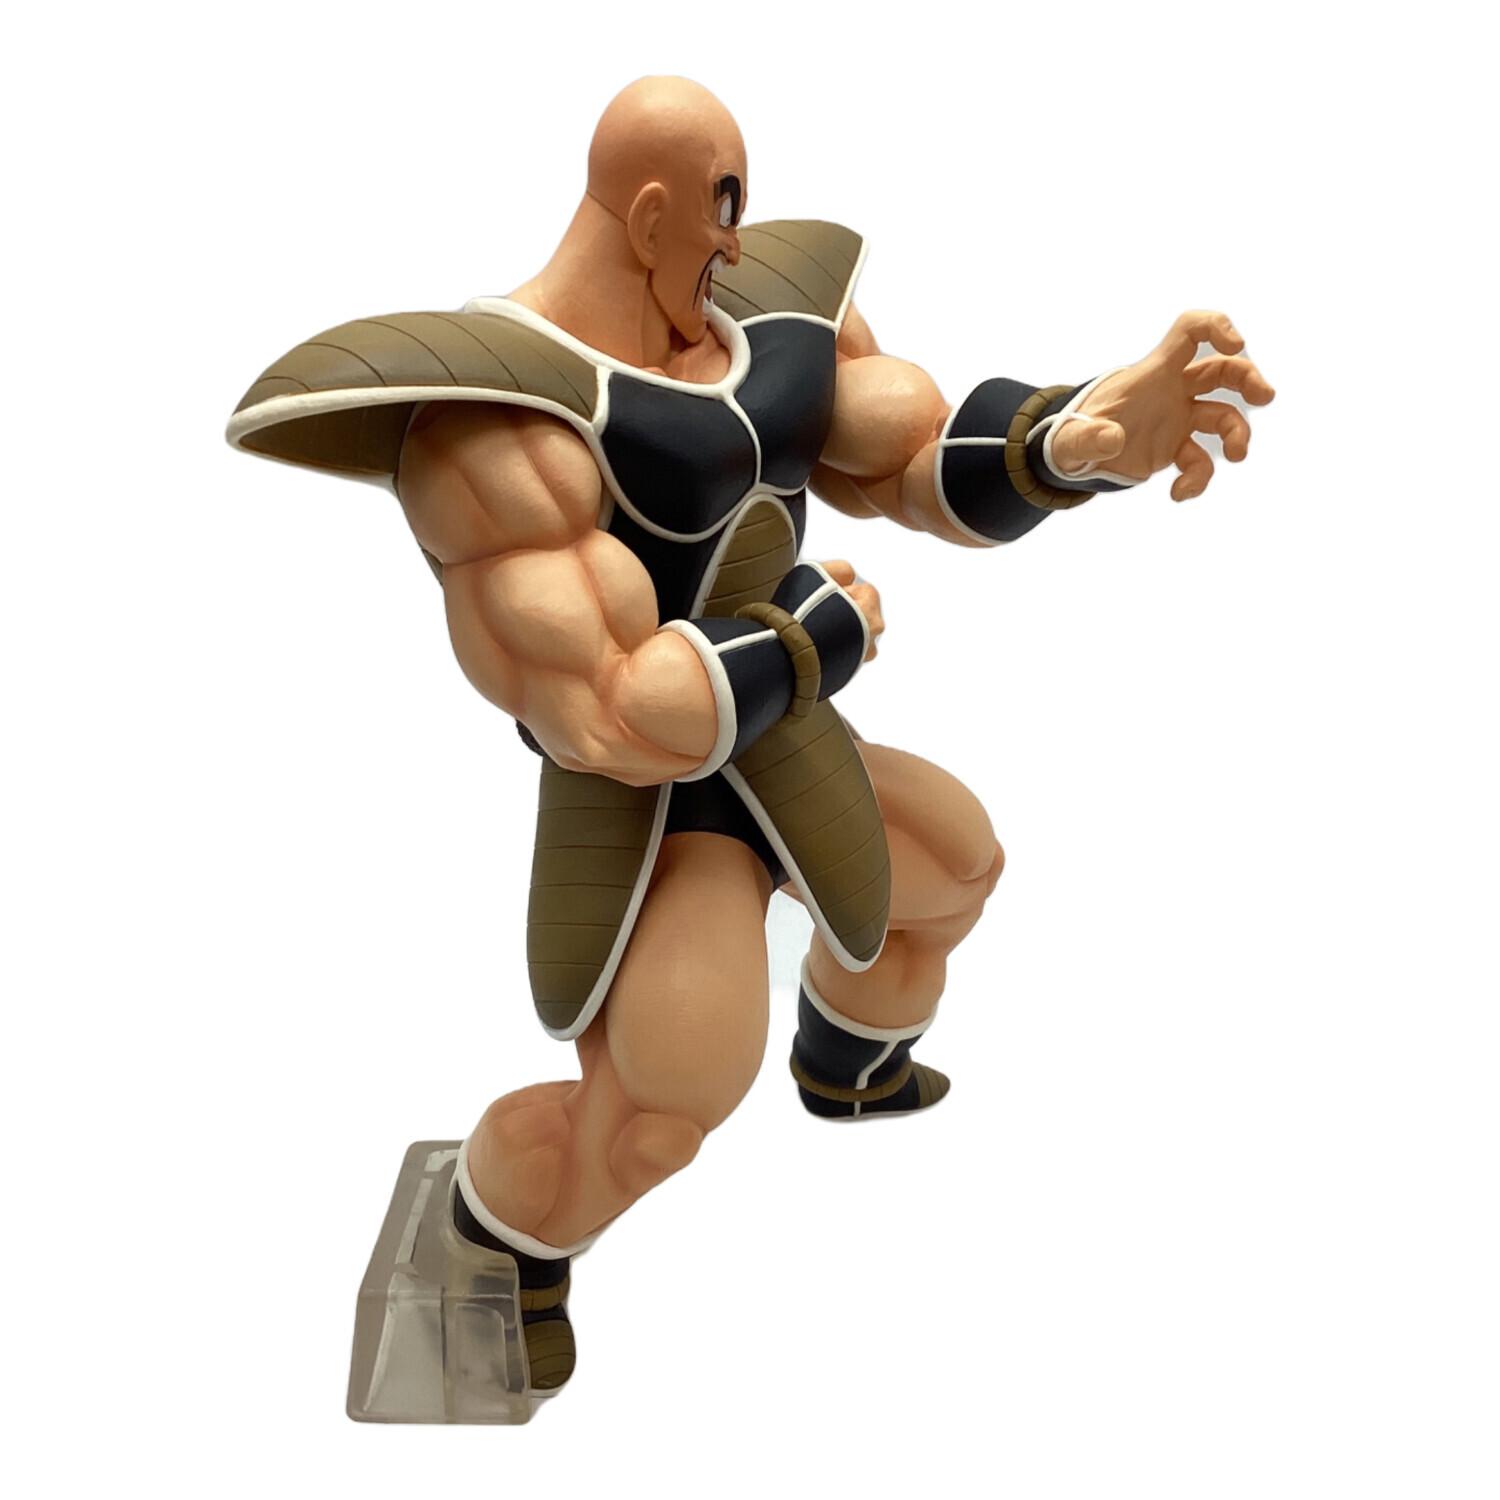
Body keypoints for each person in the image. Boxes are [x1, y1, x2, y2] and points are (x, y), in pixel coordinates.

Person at [228, 75, 1274, 1402]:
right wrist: (802, 642)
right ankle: (503, 1234)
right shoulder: (501, 422)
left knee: (955, 868)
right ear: (649, 212)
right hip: (654, 808)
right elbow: (605, 711)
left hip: (782, 739)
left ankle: (846, 1063)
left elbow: (909, 453)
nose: (736, 240)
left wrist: (1076, 440)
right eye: (721, 208)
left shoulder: (771, 318)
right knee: (666, 1105)